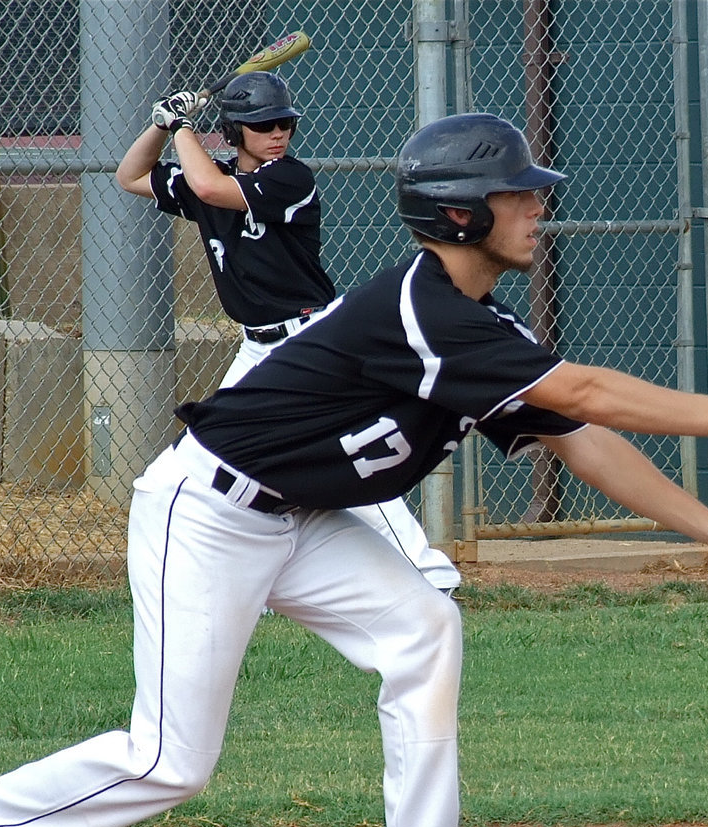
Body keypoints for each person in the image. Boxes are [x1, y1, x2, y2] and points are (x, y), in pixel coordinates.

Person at [0, 113, 708, 827]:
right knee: (170, 759)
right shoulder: (421, 311)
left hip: (304, 522)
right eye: (517, 194)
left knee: (423, 630)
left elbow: (576, 433)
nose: (538, 207)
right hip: (208, 515)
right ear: (460, 214)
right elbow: (583, 389)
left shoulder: (476, 325)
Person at [115, 72, 460, 592]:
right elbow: (130, 175)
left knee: (346, 454)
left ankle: (429, 576)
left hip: (310, 339)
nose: (277, 133)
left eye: (284, 123)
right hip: (256, 346)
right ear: (233, 133)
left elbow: (210, 186)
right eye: (261, 125)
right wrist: (162, 124)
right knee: (213, 448)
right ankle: (242, 569)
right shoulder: (210, 177)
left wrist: (183, 123)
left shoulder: (289, 178)